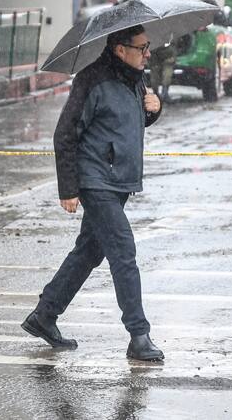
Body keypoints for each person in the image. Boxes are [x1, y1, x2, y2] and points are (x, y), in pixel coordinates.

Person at [22, 25, 166, 361]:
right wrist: (69, 188)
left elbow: (127, 124)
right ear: (119, 49)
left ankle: (45, 315)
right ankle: (139, 334)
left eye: (149, 47)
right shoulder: (92, 80)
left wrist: (153, 111)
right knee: (123, 250)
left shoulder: (136, 79)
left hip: (118, 180)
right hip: (96, 180)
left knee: (89, 250)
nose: (148, 53)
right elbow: (65, 134)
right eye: (142, 47)